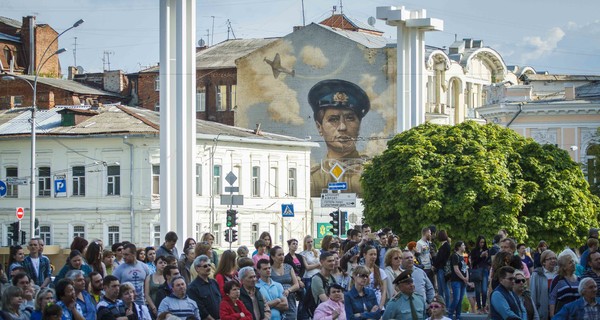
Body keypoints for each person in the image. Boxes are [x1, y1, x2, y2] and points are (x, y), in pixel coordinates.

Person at [308, 79, 370, 197]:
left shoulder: (373, 174)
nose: (342, 127)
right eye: (333, 119)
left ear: (359, 124)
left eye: (350, 118)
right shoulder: (313, 179)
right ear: (319, 127)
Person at [187, 255, 221, 320]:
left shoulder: (214, 283)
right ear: (197, 268)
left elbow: (220, 300)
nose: (208, 268)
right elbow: (200, 308)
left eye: (209, 265)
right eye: (205, 266)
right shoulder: (192, 288)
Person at [270, 246, 300, 319]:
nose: (282, 257)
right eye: (279, 255)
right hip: (278, 301)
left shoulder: (289, 267)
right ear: (273, 257)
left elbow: (296, 285)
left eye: (283, 254)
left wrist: (288, 290)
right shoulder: (269, 270)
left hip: (290, 300)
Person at [449, 241, 474, 320]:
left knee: (460, 299)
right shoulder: (455, 256)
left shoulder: (462, 257)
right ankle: (450, 314)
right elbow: (456, 269)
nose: (465, 247)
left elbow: (465, 268)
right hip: (456, 280)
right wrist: (463, 278)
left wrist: (466, 278)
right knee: (456, 299)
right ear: (459, 247)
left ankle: (458, 316)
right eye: (463, 245)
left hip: (463, 281)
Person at [531, 250, 558, 320]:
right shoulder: (536, 274)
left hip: (558, 311)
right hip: (543, 312)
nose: (553, 260)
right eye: (550, 259)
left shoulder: (559, 273)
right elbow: (533, 295)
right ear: (543, 262)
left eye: (554, 258)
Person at [470, 235, 490, 314]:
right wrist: (480, 256)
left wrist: (487, 257)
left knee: (484, 290)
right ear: (478, 242)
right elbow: (473, 262)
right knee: (477, 290)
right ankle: (479, 307)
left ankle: (484, 306)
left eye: (483, 242)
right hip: (477, 270)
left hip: (484, 270)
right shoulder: (474, 251)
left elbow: (488, 261)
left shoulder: (487, 250)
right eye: (481, 242)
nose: (482, 244)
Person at [432, 230, 452, 307]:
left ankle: (446, 305)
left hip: (442, 268)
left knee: (443, 287)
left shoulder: (444, 246)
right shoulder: (447, 245)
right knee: (442, 288)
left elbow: (440, 258)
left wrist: (434, 265)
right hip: (441, 268)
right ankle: (443, 305)